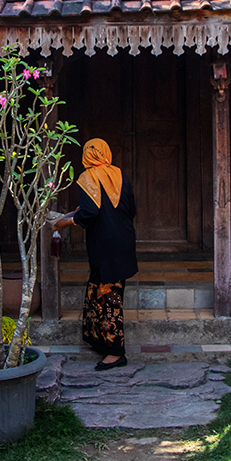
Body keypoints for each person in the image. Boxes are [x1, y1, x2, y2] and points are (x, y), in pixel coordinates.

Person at [54, 139, 137, 371]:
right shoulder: (120, 175)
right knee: (98, 290)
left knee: (109, 298)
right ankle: (97, 338)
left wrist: (65, 222)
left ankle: (115, 353)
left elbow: (90, 212)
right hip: (124, 241)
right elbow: (131, 210)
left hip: (105, 244)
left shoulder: (88, 177)